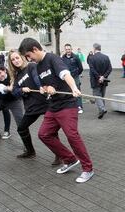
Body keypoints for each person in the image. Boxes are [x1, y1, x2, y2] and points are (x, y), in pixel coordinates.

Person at [18, 37, 94, 183]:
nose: (29, 59)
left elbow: (65, 74)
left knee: (72, 136)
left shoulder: (53, 59)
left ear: (35, 49)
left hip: (67, 105)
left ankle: (88, 169)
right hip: (53, 106)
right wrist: (46, 89)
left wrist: (74, 88)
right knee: (44, 134)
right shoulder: (38, 66)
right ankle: (70, 159)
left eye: (28, 56)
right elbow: (47, 85)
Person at [8, 50, 54, 160]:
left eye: (17, 58)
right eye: (13, 59)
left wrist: (41, 87)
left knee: (50, 131)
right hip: (31, 107)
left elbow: (37, 78)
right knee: (21, 128)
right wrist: (21, 89)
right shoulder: (16, 75)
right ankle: (30, 152)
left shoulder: (31, 66)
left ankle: (59, 155)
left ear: (22, 57)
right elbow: (14, 92)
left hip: (44, 103)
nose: (16, 61)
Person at [88, 43, 112, 119]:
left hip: (95, 80)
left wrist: (99, 77)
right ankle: (101, 110)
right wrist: (103, 77)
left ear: (94, 49)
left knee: (97, 95)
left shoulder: (91, 58)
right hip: (104, 80)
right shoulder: (106, 57)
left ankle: (102, 109)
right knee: (102, 96)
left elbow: (92, 69)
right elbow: (110, 68)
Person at [61, 43, 84, 114]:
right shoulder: (63, 58)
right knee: (68, 91)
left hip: (75, 77)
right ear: (65, 50)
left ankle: (79, 106)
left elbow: (81, 68)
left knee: (77, 90)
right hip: (67, 78)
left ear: (71, 49)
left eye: (69, 49)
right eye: (66, 49)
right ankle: (70, 106)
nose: (68, 50)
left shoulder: (76, 57)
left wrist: (76, 74)